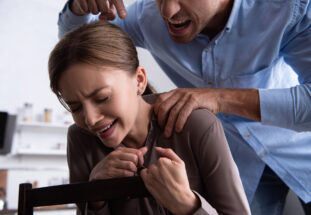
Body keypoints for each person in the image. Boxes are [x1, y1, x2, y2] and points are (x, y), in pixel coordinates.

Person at [57, 0, 311, 214]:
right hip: (242, 167)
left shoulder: (288, 8)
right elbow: (80, 49)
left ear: (140, 80)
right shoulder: (147, 17)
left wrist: (220, 99)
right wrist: (78, 8)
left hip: (301, 152)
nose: (167, 11)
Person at [48, 20, 251, 215]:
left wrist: (188, 205)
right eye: (75, 108)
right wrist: (95, 197)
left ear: (139, 80)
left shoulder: (196, 126)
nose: (90, 119)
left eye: (103, 98)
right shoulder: (80, 139)